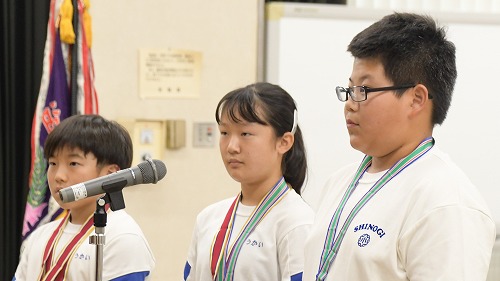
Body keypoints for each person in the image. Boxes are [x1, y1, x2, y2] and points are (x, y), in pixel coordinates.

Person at [303, 12, 496, 281]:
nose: (349, 103)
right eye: (349, 89)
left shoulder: (446, 202)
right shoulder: (339, 183)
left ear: (416, 99)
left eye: (364, 90)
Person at [183, 82, 315, 281]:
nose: (232, 147)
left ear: (284, 142)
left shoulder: (296, 222)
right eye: (225, 133)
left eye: (245, 134)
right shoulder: (208, 218)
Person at [13, 114, 155, 281]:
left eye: (73, 163)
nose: (59, 176)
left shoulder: (122, 236)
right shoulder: (40, 235)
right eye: (53, 163)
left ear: (111, 174)